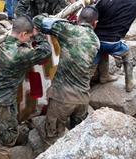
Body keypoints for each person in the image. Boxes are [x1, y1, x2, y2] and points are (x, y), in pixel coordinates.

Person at [0, 15, 52, 159]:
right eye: (29, 36)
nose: (30, 38)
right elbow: (46, 52)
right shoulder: (21, 54)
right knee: (6, 141)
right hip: (1, 104)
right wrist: (38, 34)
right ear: (23, 34)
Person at [33, 7, 99, 143]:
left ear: (78, 19)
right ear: (95, 24)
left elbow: (38, 20)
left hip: (62, 98)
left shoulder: (68, 30)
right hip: (83, 99)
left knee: (52, 138)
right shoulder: (96, 41)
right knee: (78, 137)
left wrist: (49, 15)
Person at [93, 0, 136, 92]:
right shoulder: (135, 4)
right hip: (113, 42)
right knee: (127, 54)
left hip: (96, 41)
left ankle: (102, 76)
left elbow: (94, 17)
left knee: (100, 53)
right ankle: (129, 83)